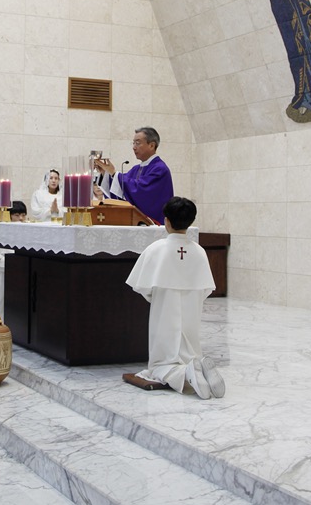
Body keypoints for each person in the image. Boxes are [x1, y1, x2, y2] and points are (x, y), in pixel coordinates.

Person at [125, 197, 224, 399]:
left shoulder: (156, 249)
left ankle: (186, 374)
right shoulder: (199, 251)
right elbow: (205, 289)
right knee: (190, 350)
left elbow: (142, 286)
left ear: (167, 221)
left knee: (161, 365)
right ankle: (197, 366)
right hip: (191, 309)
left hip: (164, 309)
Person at [93, 127, 174, 225]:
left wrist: (114, 173)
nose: (134, 147)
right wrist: (105, 173)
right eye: (133, 143)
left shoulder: (160, 169)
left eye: (138, 143)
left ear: (151, 145)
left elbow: (141, 191)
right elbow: (122, 190)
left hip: (154, 224)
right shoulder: (136, 168)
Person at [0, 201, 28, 319]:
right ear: (9, 216)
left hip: (25, 274)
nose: (21, 218)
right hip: (8, 274)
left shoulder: (29, 232)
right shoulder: (5, 234)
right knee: (3, 301)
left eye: (23, 215)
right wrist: (13, 265)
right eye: (17, 215)